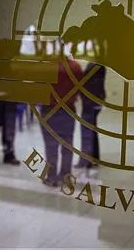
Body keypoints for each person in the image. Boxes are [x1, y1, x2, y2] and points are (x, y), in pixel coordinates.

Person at [40, 57, 83, 186]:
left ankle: (52, 177)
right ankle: (65, 176)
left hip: (49, 109)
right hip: (68, 109)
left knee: (51, 145)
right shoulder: (76, 67)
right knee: (67, 144)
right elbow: (80, 88)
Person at [75, 62, 106, 168]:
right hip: (95, 101)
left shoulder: (95, 65)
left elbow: (89, 83)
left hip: (91, 102)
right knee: (92, 130)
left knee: (87, 131)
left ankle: (86, 160)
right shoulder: (99, 64)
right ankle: (94, 158)